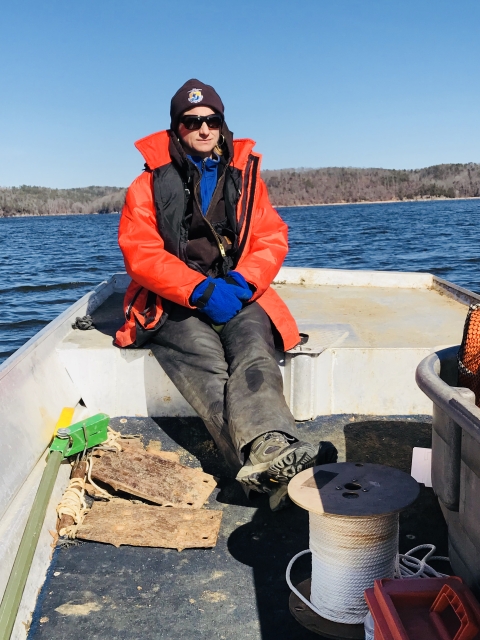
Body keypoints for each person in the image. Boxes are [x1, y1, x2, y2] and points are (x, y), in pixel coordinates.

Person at [115, 79, 320, 510]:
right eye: (192, 122)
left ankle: (269, 449)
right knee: (207, 366)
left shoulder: (245, 177)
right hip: (174, 299)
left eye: (211, 120)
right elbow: (142, 254)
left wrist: (243, 282)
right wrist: (198, 289)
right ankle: (268, 465)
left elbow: (270, 238)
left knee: (254, 351)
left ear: (222, 126)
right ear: (177, 129)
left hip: (233, 288)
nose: (203, 129)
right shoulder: (145, 186)